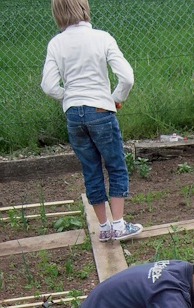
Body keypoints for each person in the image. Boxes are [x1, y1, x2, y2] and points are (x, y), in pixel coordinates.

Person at [41, 0, 142, 242]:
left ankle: (105, 227)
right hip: (100, 109)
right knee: (116, 165)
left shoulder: (56, 44)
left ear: (57, 13)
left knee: (91, 169)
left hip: (74, 114)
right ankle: (119, 224)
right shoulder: (102, 38)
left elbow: (48, 85)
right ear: (84, 8)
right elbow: (127, 77)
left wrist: (69, 97)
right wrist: (114, 99)